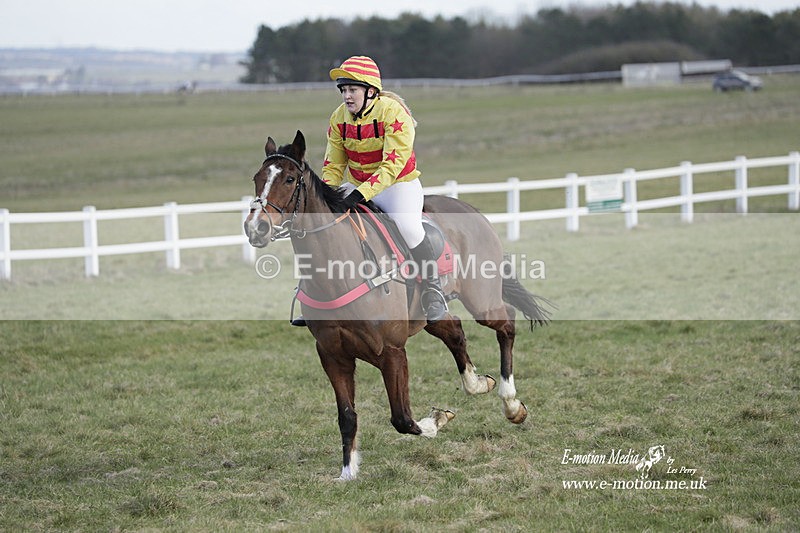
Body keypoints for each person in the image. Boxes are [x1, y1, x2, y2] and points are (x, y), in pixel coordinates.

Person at [294, 55, 446, 325]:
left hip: (398, 184)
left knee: (409, 228)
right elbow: (334, 164)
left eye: (352, 89)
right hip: (357, 183)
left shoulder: (394, 112)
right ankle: (317, 295)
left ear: (371, 91)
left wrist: (361, 193)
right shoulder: (338, 117)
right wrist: (327, 196)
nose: (346, 96)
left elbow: (392, 164)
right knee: (325, 224)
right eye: (343, 90)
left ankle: (433, 290)